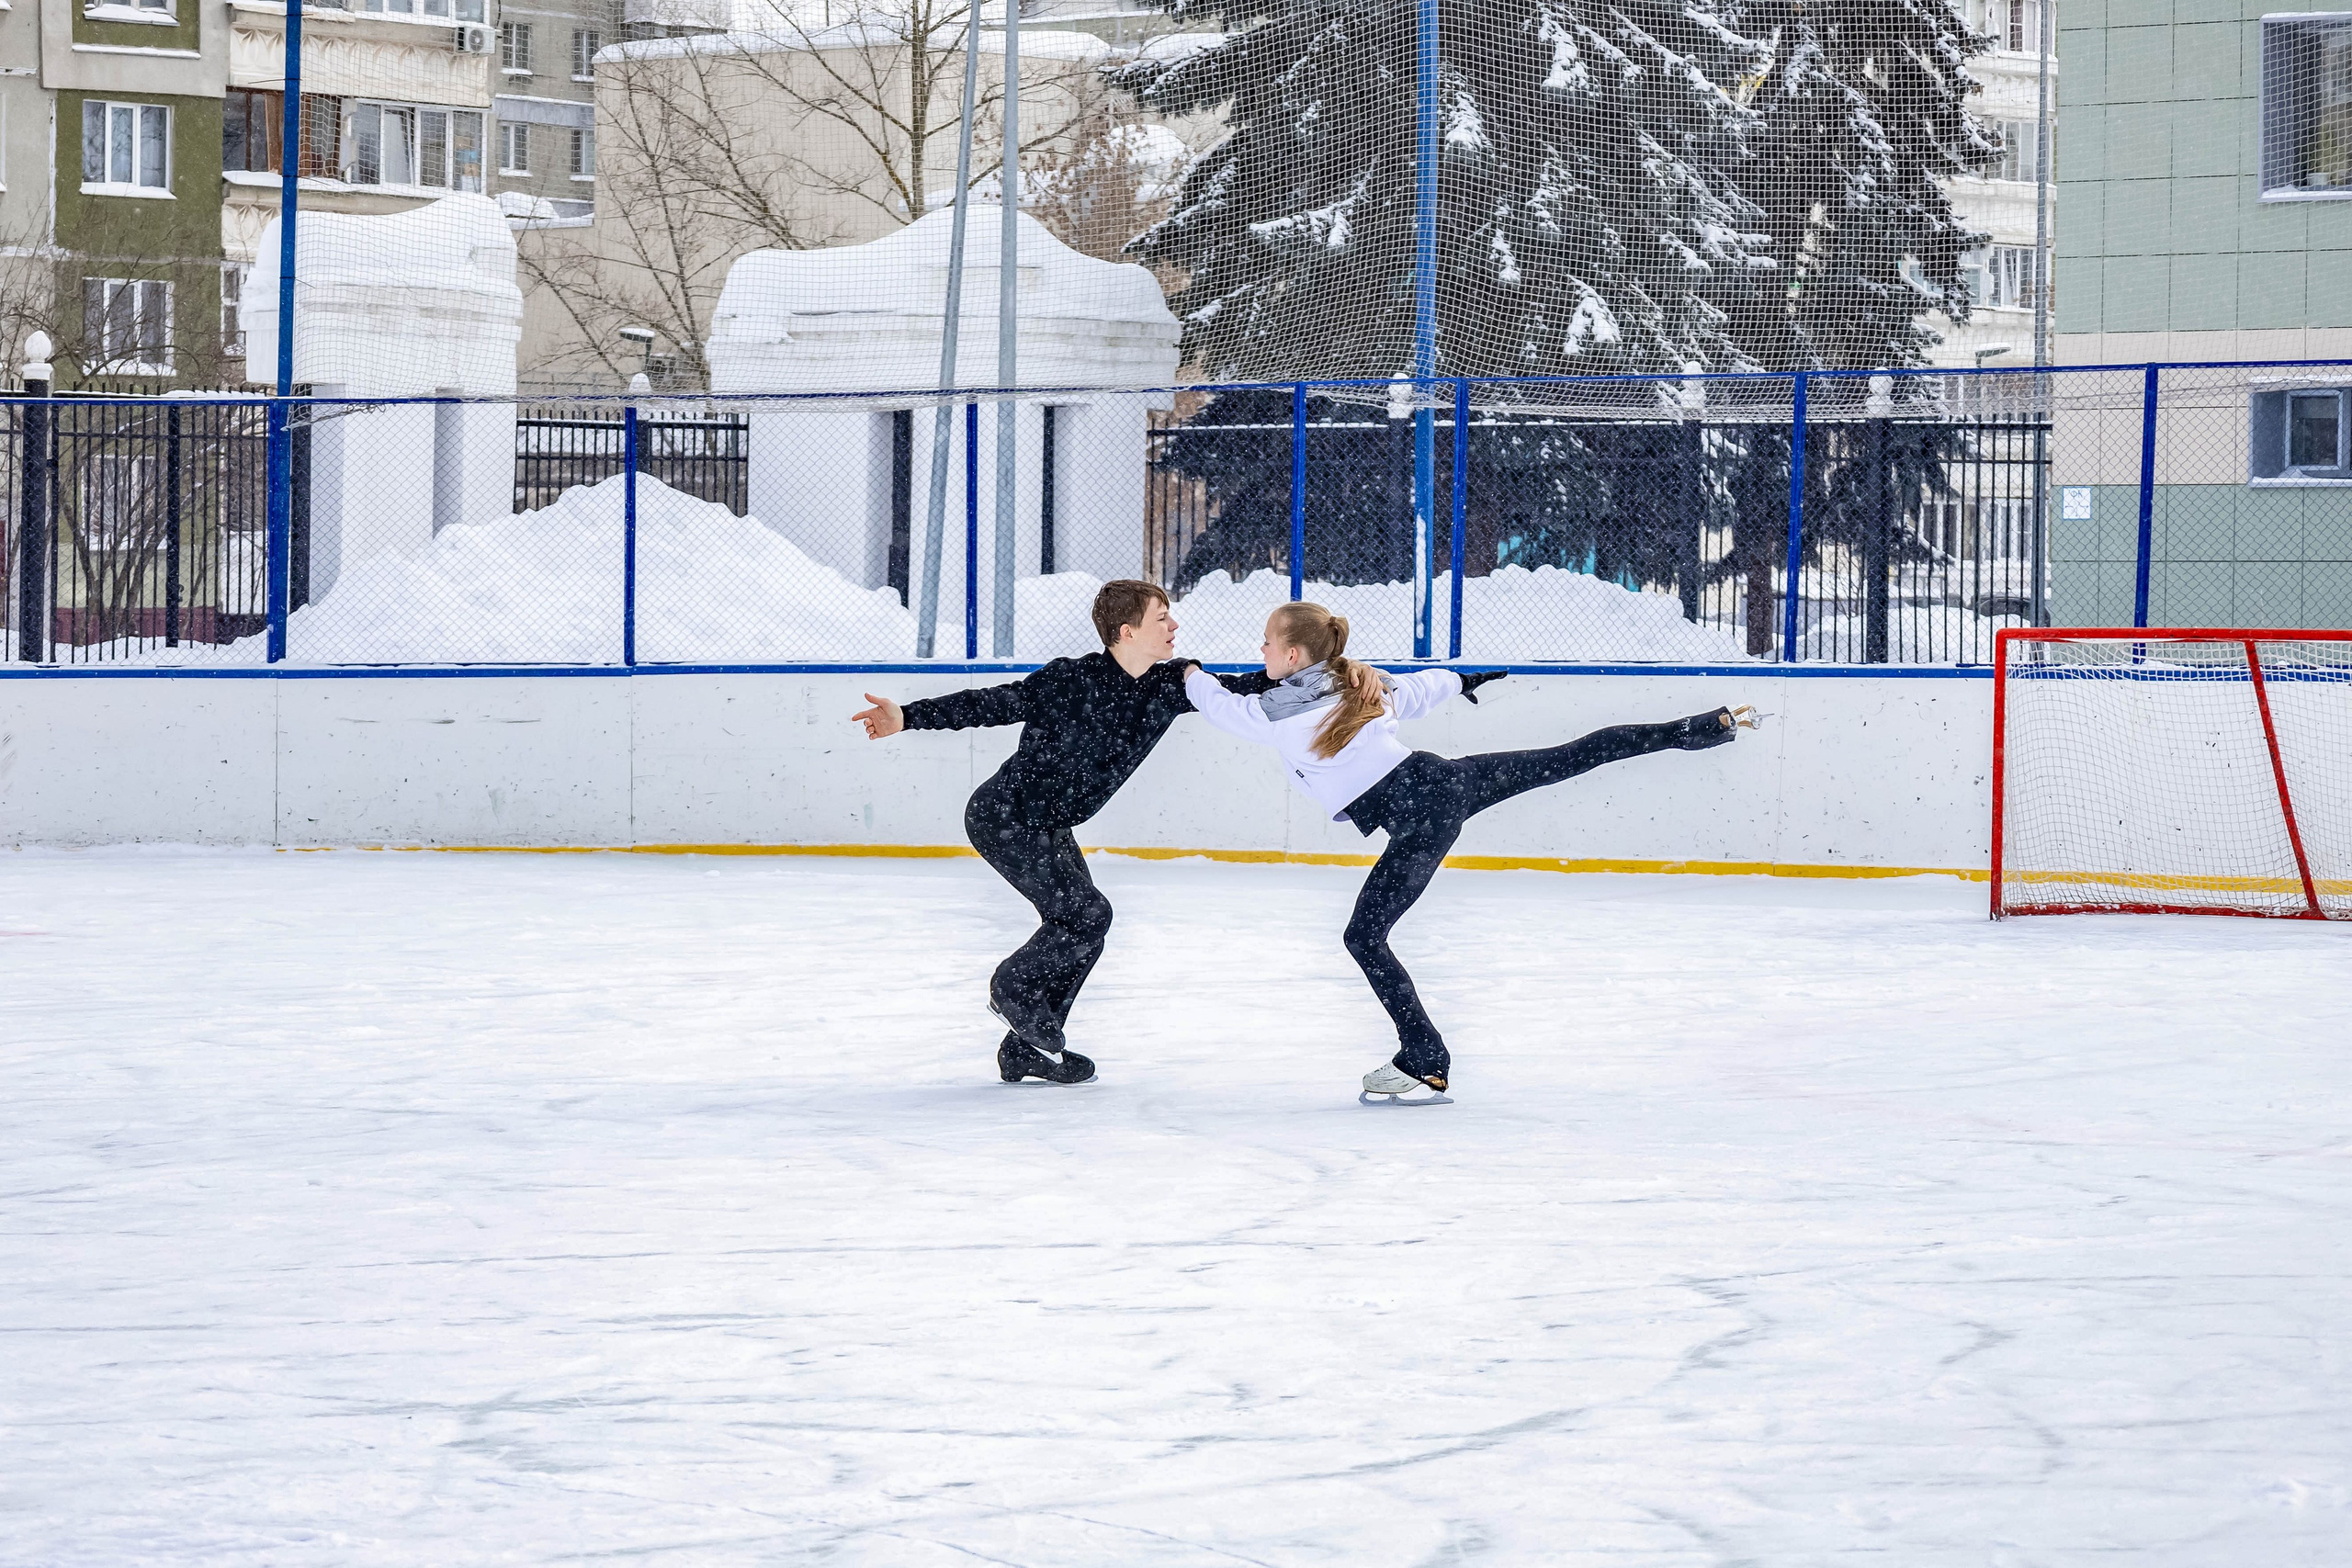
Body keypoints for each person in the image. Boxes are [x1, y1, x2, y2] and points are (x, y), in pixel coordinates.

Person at [1182, 601, 1755, 1105]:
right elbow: (1420, 690)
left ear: (1293, 654)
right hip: (1446, 783)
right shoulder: (1360, 684)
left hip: (1422, 816)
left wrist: (1186, 674)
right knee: (1572, 755)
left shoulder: (1278, 713)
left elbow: (1219, 707)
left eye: (1266, 642)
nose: (1260, 651)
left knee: (1364, 937)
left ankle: (1425, 1057)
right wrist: (1460, 678)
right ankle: (1700, 728)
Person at [854, 580, 1274, 1087]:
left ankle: (1027, 1047)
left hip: (1049, 825)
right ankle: (1011, 988)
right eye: (1162, 617)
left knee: (1088, 927)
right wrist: (908, 717)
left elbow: (1242, 688)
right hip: (1004, 817)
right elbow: (991, 704)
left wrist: (1325, 676)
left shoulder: (1167, 686)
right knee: (1085, 915)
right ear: (1127, 631)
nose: (1174, 625)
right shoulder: (1070, 679)